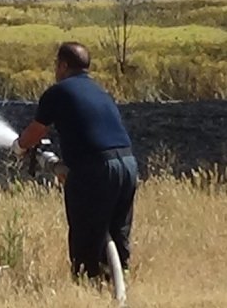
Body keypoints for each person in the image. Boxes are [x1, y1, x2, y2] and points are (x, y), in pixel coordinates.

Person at [11, 42, 138, 283]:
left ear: (63, 65)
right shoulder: (102, 92)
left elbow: (35, 132)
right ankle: (119, 283)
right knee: (117, 234)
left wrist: (19, 147)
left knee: (86, 240)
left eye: (56, 66)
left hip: (96, 169)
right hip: (128, 165)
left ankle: (89, 289)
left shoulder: (57, 92)